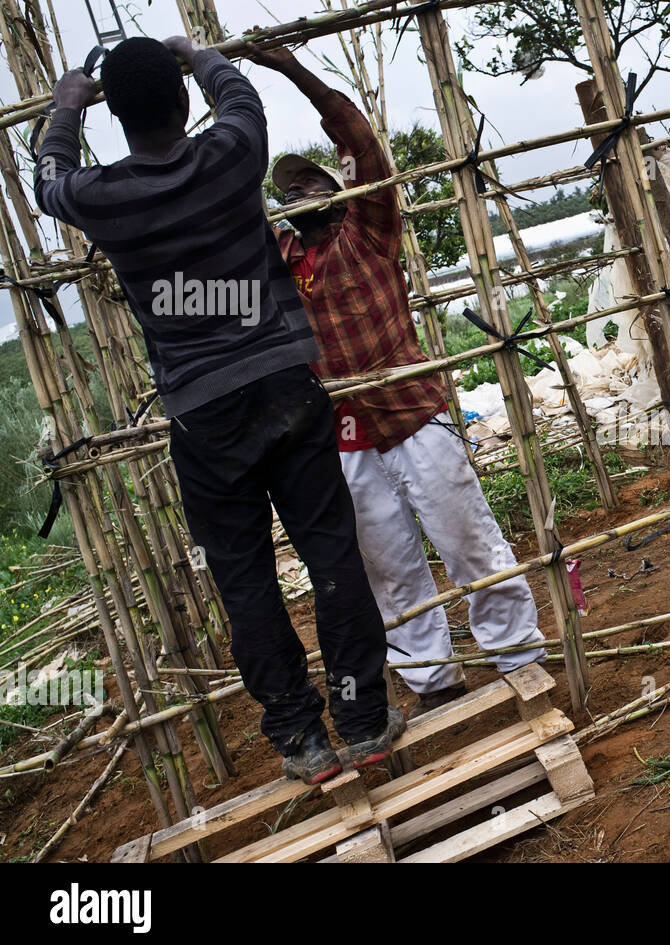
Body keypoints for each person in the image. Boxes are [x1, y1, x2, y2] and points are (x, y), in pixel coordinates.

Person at [35, 36, 404, 785]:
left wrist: (69, 104)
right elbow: (239, 95)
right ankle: (363, 721)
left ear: (120, 120)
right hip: (284, 383)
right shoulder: (230, 155)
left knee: (245, 580)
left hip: (203, 414)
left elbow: (51, 179)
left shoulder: (102, 198)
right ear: (182, 104)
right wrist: (193, 52)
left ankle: (300, 738)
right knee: (331, 553)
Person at [245, 45, 546, 712]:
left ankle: (520, 654)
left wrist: (291, 71)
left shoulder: (370, 230)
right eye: (288, 192)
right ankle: (434, 680)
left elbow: (355, 136)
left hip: (415, 412)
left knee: (467, 538)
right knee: (387, 568)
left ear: (341, 190)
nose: (298, 195)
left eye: (311, 184)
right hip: (348, 435)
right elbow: (235, 225)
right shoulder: (284, 260)